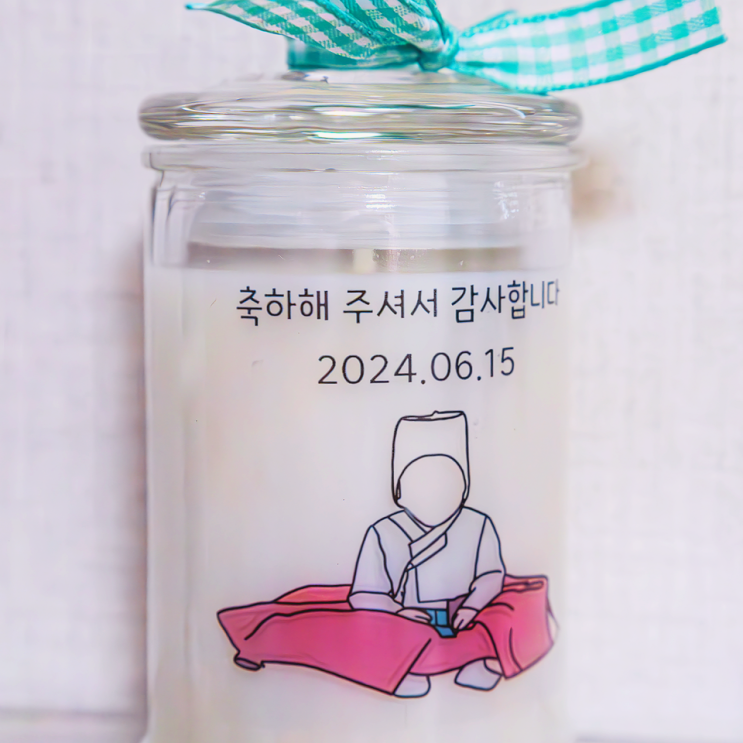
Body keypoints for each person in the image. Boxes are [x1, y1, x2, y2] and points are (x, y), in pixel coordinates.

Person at [349, 411, 506, 696]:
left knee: (498, 619)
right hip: (409, 619)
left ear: (464, 488)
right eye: (422, 482)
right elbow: (365, 593)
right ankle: (408, 670)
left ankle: (475, 662)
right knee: (399, 639)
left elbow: (491, 575)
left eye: (447, 481)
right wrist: (397, 612)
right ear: (399, 491)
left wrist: (472, 606)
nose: (435, 491)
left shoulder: (477, 524)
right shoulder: (383, 532)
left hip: (461, 613)